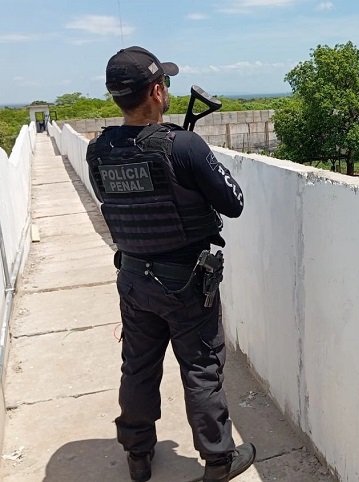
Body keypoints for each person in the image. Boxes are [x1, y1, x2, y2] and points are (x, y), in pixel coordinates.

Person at [85, 46, 255, 482]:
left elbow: (119, 201)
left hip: (133, 278)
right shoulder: (184, 145)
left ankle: (138, 455)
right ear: (157, 91)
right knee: (201, 367)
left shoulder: (98, 150)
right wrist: (193, 159)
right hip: (185, 284)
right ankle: (218, 459)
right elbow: (233, 203)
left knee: (138, 366)